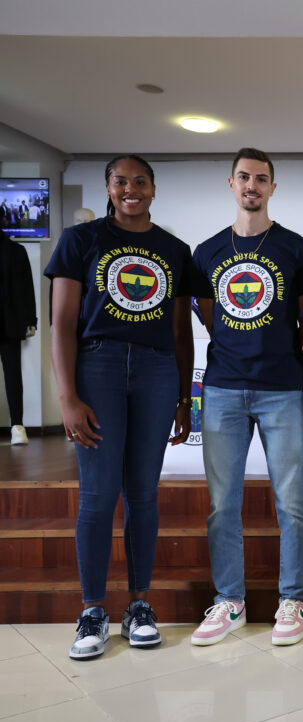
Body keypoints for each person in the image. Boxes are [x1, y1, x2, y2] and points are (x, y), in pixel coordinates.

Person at [45, 154, 194, 659]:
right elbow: (62, 324)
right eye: (120, 181)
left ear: (153, 189)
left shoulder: (174, 250)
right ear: (108, 188)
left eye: (140, 181)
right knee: (98, 494)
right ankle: (92, 612)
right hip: (98, 367)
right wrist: (67, 396)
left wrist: (184, 397)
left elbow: (180, 330)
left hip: (157, 370)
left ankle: (138, 606)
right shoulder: (79, 240)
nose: (131, 189)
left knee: (143, 494)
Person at [188, 148, 303, 647]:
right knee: (223, 504)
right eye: (244, 177)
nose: (252, 185)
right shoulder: (207, 252)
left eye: (261, 179)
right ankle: (230, 601)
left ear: (272, 187)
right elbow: (210, 316)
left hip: (281, 388)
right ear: (231, 183)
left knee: (292, 502)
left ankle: (294, 599)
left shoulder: (296, 250)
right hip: (222, 388)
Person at [1, 230, 37, 445]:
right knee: (13, 375)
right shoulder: (15, 250)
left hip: (10, 322)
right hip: (10, 322)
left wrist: (31, 320)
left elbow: (27, 287)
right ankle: (17, 427)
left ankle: (18, 427)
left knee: (13, 375)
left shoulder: (16, 250)